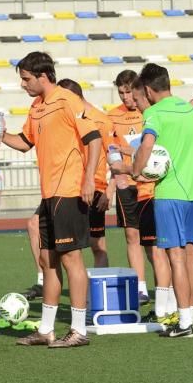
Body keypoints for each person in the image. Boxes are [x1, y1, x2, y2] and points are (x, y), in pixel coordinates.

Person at [1, 52, 102, 348]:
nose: (23, 84)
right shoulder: (36, 106)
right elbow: (24, 143)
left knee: (72, 259)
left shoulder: (67, 100)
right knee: (48, 261)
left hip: (69, 190)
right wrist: (1, 134)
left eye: (26, 79)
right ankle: (46, 329)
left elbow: (94, 139)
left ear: (42, 76)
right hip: (49, 194)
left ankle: (79, 330)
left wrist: (88, 180)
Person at [129, 63, 193, 338]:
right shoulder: (190, 110)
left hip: (170, 194)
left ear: (148, 90)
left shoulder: (153, 113)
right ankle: (188, 316)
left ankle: (185, 324)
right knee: (191, 255)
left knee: (175, 257)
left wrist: (133, 171)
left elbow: (147, 146)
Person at [108, 71, 172, 320]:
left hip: (149, 185)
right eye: (121, 93)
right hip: (127, 182)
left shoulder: (151, 112)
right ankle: (141, 288)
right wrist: (116, 180)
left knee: (154, 244)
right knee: (132, 235)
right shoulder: (113, 116)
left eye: (129, 92)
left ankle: (165, 293)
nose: (126, 98)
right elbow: (110, 149)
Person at [57, 78, 113, 268]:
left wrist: (109, 191)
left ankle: (98, 292)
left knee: (97, 245)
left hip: (95, 188)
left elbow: (114, 156)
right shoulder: (68, 119)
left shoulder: (102, 120)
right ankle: (45, 281)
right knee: (68, 247)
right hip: (70, 188)